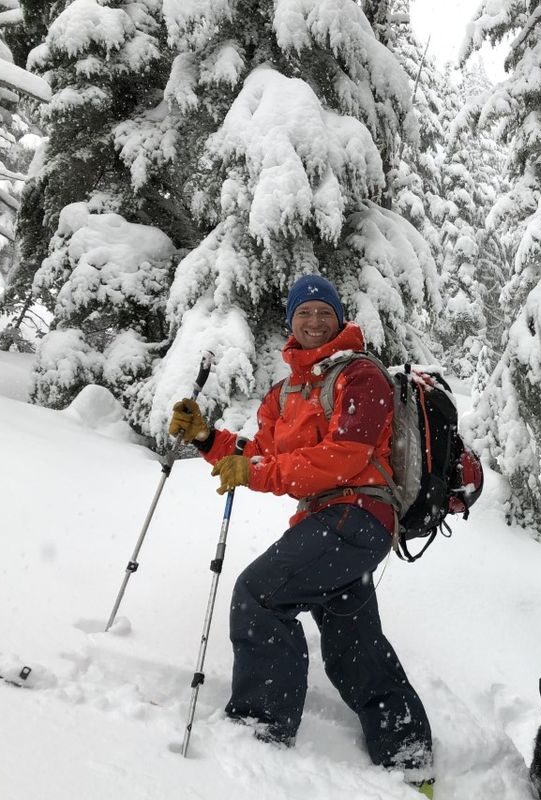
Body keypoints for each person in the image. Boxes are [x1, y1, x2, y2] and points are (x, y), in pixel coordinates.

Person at [168, 274, 434, 796]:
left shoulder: (362, 377)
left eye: (324, 312)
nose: (314, 321)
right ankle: (409, 756)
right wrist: (206, 438)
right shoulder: (284, 392)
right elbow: (259, 456)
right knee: (350, 639)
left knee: (260, 595)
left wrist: (258, 473)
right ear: (289, 322)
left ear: (339, 319)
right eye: (303, 313)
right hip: (326, 521)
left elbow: (345, 458)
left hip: (359, 515)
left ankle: (261, 728)